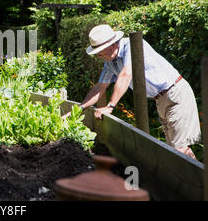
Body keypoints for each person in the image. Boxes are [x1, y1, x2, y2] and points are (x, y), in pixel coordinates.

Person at [76, 24, 201, 159]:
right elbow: (99, 87)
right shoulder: (110, 63)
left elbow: (126, 74)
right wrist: (79, 108)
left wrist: (110, 106)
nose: (98, 56)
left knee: (180, 150)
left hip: (175, 93)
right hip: (160, 100)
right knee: (175, 152)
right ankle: (198, 178)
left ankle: (200, 179)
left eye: (100, 51)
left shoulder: (132, 46)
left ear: (111, 45)